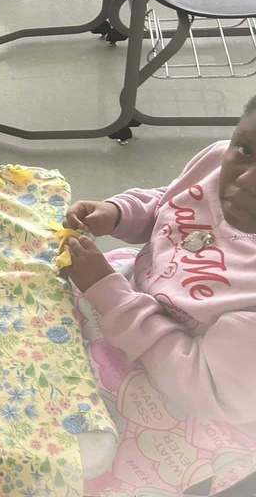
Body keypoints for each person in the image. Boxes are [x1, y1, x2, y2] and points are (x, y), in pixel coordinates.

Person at [61, 95, 256, 495]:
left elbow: (195, 383)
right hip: (134, 294)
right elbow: (173, 203)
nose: (246, 179)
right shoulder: (219, 162)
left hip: (188, 396)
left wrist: (107, 294)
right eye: (246, 149)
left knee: (77, 450)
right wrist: (118, 213)